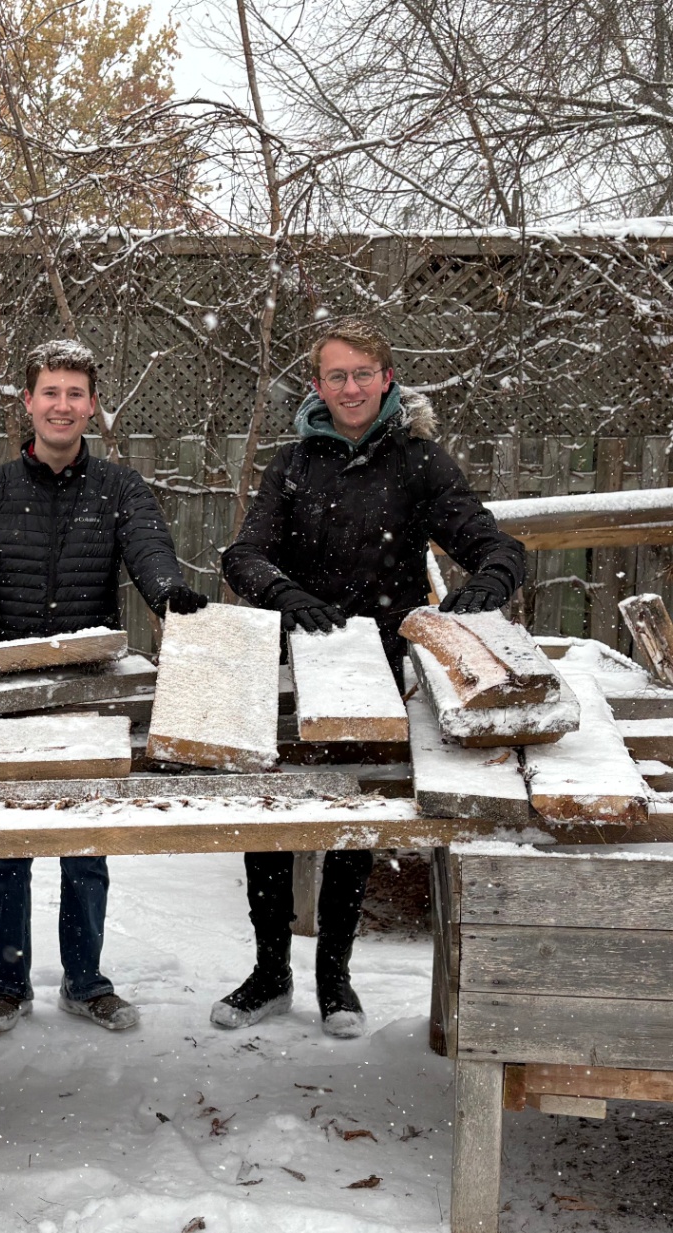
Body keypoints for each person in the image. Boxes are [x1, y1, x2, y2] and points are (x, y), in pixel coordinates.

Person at [217, 318, 526, 1037]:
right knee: (272, 819)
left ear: (387, 378)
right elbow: (244, 555)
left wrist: (486, 586)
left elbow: (496, 545)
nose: (351, 388)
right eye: (337, 376)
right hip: (294, 663)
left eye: (363, 374)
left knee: (353, 823)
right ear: (317, 386)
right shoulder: (294, 465)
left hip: (380, 670)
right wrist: (285, 594)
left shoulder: (418, 462)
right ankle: (269, 973)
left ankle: (335, 979)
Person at [0, 339, 209, 1035]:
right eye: (50, 392)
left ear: (93, 405)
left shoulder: (119, 488)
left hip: (89, 691)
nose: (61, 405)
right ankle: (6, 986)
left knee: (86, 843)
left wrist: (169, 593)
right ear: (28, 402)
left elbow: (149, 549)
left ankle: (86, 981)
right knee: (9, 845)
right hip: (9, 691)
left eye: (74, 393)